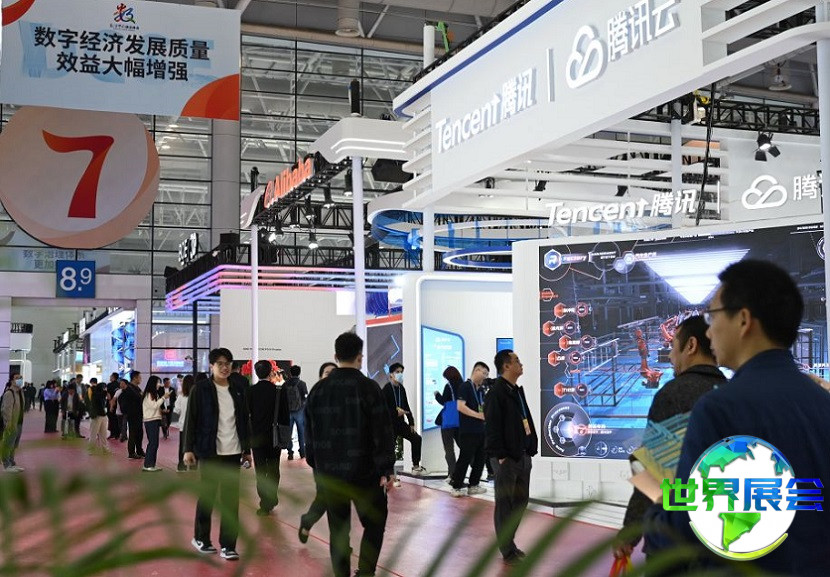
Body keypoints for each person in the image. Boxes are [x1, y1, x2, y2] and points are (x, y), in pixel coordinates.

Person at [645, 260, 830, 576]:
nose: (708, 330)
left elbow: (685, 526)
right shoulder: (822, 402)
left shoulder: (719, 409)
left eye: (712, 316)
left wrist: (655, 515)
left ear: (743, 320)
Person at [613, 315, 726, 563]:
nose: (671, 356)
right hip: (723, 536)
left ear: (691, 345)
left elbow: (653, 471)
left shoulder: (673, 394)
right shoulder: (732, 393)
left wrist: (630, 532)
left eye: (673, 345)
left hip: (673, 539)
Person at [305, 333, 395, 577]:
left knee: (338, 531)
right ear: (360, 357)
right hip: (366, 474)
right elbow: (382, 431)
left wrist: (316, 463)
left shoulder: (318, 390)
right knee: (374, 524)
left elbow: (308, 434)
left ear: (335, 356)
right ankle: (365, 572)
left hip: (330, 475)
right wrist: (386, 468)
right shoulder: (369, 388)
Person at [183, 348, 252, 561]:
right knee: (208, 497)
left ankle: (228, 545)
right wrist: (188, 449)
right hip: (209, 451)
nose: (224, 367)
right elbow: (191, 419)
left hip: (233, 451)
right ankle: (201, 538)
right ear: (211, 366)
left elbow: (243, 420)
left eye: (228, 363)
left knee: (231, 501)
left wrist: (247, 450)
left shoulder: (238, 389)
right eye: (220, 363)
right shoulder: (201, 389)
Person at [484, 349, 537, 566]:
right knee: (505, 504)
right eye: (517, 361)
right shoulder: (496, 393)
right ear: (506, 366)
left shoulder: (515, 391)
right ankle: (507, 550)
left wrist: (530, 446)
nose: (520, 364)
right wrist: (501, 455)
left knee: (521, 501)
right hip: (507, 458)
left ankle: (509, 543)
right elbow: (492, 427)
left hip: (522, 455)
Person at [298, 361, 337, 543]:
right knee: (329, 498)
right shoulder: (315, 398)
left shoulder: (344, 399)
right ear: (321, 376)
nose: (331, 377)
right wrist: (311, 455)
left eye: (334, 373)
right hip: (321, 458)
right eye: (327, 373)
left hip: (342, 458)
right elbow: (308, 430)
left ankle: (308, 522)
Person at [247, 360, 290, 516]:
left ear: (256, 373)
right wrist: (285, 436)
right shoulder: (278, 391)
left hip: (256, 437)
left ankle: (264, 502)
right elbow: (285, 415)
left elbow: (247, 415)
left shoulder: (250, 391)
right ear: (271, 372)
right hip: (274, 437)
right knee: (273, 469)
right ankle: (271, 499)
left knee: (260, 471)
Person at [450, 362, 490, 498]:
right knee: (465, 458)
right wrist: (478, 415)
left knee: (480, 458)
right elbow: (460, 406)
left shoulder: (481, 390)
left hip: (481, 430)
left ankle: (474, 485)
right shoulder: (465, 387)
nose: (485, 377)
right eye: (484, 373)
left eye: (487, 374)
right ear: (476, 370)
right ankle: (456, 486)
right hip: (468, 430)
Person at [382, 363, 426, 477]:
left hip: (400, 423)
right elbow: (383, 409)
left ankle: (416, 466)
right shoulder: (386, 389)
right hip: (390, 424)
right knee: (390, 448)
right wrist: (395, 412)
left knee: (416, 438)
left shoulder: (401, 388)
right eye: (397, 372)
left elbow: (406, 406)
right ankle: (389, 473)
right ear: (391, 374)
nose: (400, 374)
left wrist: (411, 422)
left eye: (401, 372)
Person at [434, 366, 462, 483]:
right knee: (464, 447)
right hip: (460, 421)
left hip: (448, 422)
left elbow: (444, 401)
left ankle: (452, 474)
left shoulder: (448, 386)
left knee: (449, 449)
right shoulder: (463, 385)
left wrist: (437, 395)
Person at [142, 375, 169, 472]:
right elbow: (154, 406)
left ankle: (152, 464)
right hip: (151, 421)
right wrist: (163, 398)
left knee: (154, 443)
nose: (159, 385)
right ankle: (148, 465)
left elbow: (155, 407)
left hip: (154, 420)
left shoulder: (154, 394)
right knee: (153, 443)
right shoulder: (149, 394)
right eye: (158, 382)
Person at [1, 374, 26, 472]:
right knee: (8, 443)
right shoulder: (9, 393)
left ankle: (11, 463)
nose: (20, 380)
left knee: (14, 444)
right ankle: (6, 465)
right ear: (12, 381)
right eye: (17, 378)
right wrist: (9, 423)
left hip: (19, 422)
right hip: (11, 423)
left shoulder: (20, 392)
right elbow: (6, 410)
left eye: (21, 378)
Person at [284, 365, 308, 461]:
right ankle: (302, 452)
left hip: (288, 412)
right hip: (299, 411)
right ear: (299, 373)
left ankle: (290, 453)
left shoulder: (285, 384)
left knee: (288, 433)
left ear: (290, 373)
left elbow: (283, 398)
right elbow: (305, 397)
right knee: (301, 433)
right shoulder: (302, 384)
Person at [173, 374, 194, 472]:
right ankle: (193, 466)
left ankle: (182, 466)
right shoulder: (197, 396)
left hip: (183, 426)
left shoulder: (181, 396)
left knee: (183, 446)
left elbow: (176, 410)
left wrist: (173, 423)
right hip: (195, 426)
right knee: (193, 446)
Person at [122, 372, 145, 459]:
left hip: (139, 414)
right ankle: (131, 452)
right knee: (133, 433)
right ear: (135, 378)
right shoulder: (129, 389)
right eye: (139, 377)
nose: (141, 379)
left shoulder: (137, 388)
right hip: (133, 414)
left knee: (139, 433)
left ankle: (139, 450)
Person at [86, 377, 110, 454]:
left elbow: (107, 397)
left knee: (103, 434)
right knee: (93, 434)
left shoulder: (101, 395)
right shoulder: (96, 395)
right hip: (96, 416)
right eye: (104, 388)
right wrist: (105, 392)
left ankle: (104, 449)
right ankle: (91, 449)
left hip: (103, 415)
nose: (105, 389)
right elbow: (101, 396)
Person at [105, 372, 120, 439]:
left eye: (111, 376)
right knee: (117, 419)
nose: (110, 377)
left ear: (113, 377)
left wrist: (110, 403)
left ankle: (112, 433)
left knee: (111, 419)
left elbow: (108, 396)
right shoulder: (119, 384)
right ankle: (118, 434)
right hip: (118, 404)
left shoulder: (109, 385)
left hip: (111, 403)